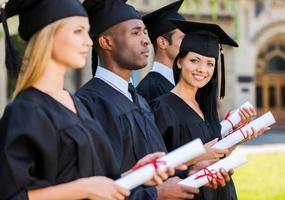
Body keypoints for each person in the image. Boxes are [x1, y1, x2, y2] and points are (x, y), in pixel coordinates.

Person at [0, 0, 168, 199]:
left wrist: (136, 175)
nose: (89, 41)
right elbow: (11, 195)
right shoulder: (26, 110)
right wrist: (84, 188)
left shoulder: (74, 104)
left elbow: (93, 181)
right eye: (78, 31)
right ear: (49, 36)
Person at [76, 0, 227, 199]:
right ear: (106, 42)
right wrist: (156, 194)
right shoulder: (88, 105)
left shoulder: (140, 102)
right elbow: (94, 189)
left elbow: (152, 171)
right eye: (135, 33)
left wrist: (191, 172)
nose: (147, 40)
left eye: (145, 33)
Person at [151, 19, 269, 200]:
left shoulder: (206, 107)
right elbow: (157, 167)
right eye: (194, 61)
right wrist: (197, 156)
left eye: (209, 64)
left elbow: (216, 154)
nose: (202, 69)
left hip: (220, 192)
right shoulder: (162, 107)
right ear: (180, 62)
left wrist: (239, 137)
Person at [137, 0, 185, 103]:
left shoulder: (182, 83)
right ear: (162, 42)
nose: (188, 44)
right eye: (182, 39)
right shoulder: (147, 90)